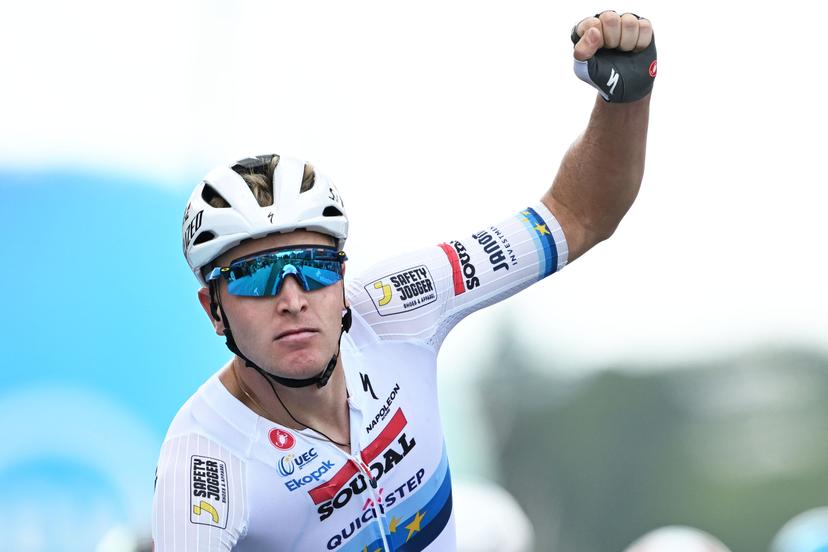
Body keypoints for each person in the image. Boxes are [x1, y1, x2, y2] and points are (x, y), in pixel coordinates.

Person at [152, 10, 656, 551]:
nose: (293, 298)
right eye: (256, 277)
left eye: (316, 267)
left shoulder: (398, 307)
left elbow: (579, 213)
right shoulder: (203, 460)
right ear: (213, 308)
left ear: (343, 278)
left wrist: (624, 98)